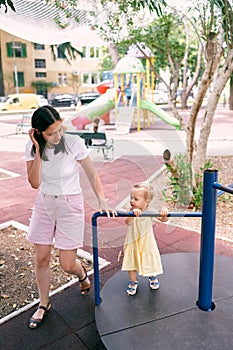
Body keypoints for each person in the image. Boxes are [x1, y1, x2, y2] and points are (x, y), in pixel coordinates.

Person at [25, 105, 115, 329]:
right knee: (42, 257)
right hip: (44, 203)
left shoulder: (73, 143)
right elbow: (35, 183)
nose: (57, 136)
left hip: (70, 203)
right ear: (37, 132)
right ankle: (44, 303)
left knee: (67, 264)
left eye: (59, 130)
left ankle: (81, 274)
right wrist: (37, 149)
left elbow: (92, 173)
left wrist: (102, 199)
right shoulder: (31, 146)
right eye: (50, 133)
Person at [121, 182, 168, 296]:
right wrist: (132, 215)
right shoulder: (130, 210)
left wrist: (164, 214)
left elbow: (163, 220)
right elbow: (127, 222)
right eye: (131, 198)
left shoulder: (150, 211)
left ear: (146, 202)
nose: (132, 201)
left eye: (136, 199)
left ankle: (152, 275)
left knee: (149, 260)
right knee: (131, 262)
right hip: (132, 242)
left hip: (147, 242)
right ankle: (133, 281)